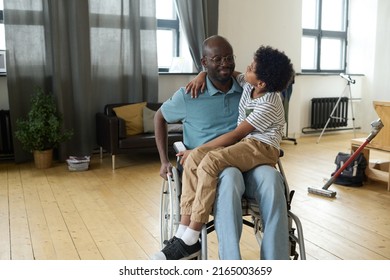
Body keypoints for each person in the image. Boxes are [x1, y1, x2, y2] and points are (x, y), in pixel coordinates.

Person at [152, 35, 290, 260]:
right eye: (217, 59)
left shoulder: (245, 87)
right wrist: (164, 161)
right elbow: (160, 116)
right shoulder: (190, 93)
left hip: (251, 152)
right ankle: (226, 260)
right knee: (229, 175)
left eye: (229, 58)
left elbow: (238, 132)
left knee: (274, 180)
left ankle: (276, 261)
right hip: (223, 162)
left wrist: (208, 70)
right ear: (204, 62)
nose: (225, 63)